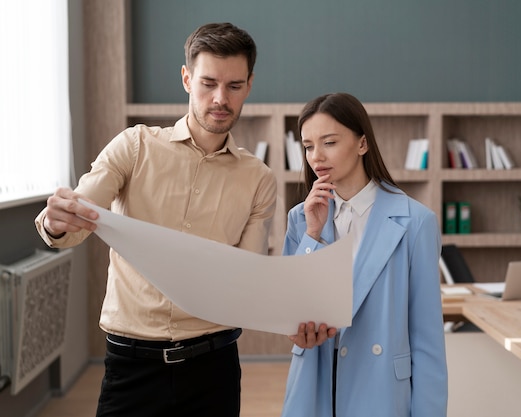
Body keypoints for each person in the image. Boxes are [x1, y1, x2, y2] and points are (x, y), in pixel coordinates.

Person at [34, 22, 276, 417]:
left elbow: (246, 277)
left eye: (234, 86)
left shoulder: (259, 179)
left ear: (249, 85)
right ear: (186, 79)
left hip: (213, 365)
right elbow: (76, 215)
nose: (220, 98)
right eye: (208, 83)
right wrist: (58, 221)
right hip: (132, 366)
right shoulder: (134, 147)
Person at [281, 92, 447, 417]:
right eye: (308, 145)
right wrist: (313, 234)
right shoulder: (300, 219)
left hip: (381, 390)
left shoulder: (416, 222)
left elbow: (428, 342)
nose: (316, 157)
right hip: (314, 385)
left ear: (362, 144)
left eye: (329, 142)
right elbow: (291, 312)